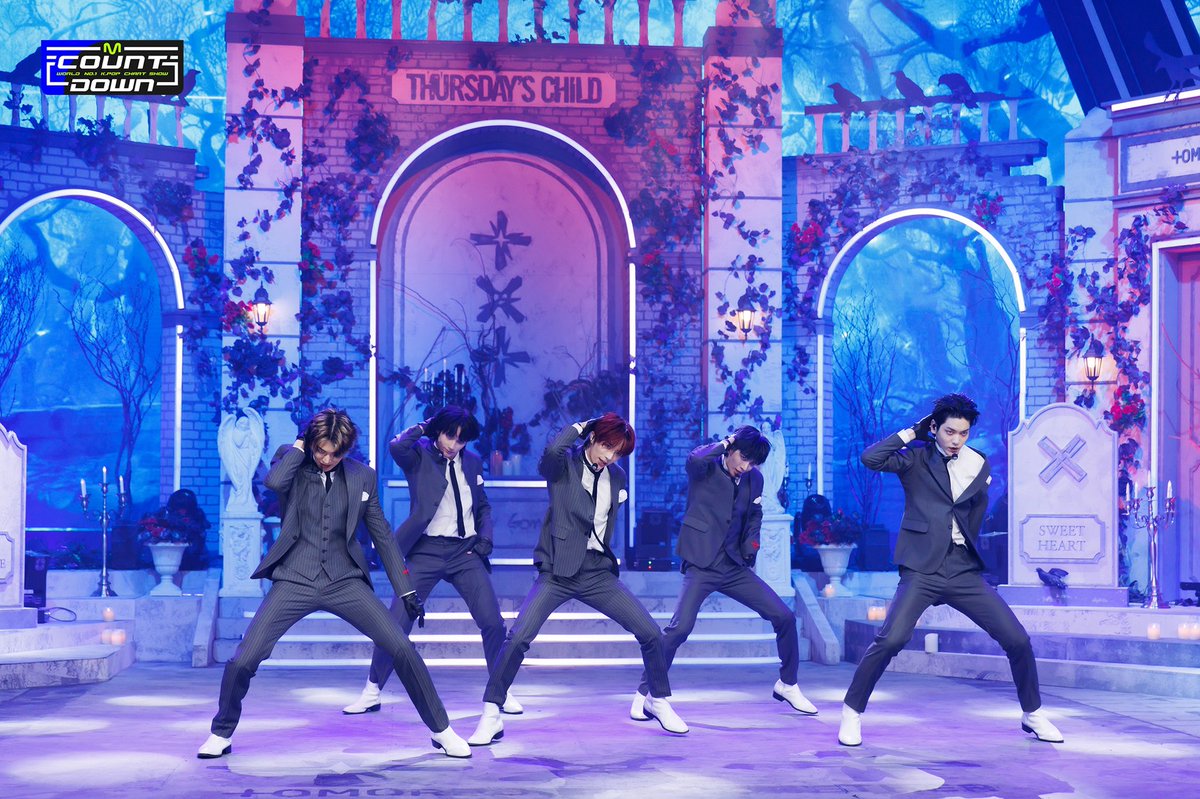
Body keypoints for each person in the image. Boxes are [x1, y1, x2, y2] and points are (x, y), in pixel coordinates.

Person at [197, 409, 470, 759]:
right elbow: (274, 483)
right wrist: (302, 441)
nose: (326, 459)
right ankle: (221, 732)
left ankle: (442, 730)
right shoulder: (292, 460)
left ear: (346, 451)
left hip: (344, 580)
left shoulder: (362, 477)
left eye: (335, 454)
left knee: (401, 647)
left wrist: (405, 589)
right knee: (243, 659)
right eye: (321, 451)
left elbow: (383, 537)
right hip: (295, 578)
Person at [837, 393, 1063, 746]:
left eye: (963, 433)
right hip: (922, 568)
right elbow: (871, 458)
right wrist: (912, 433)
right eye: (949, 432)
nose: (956, 440)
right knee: (891, 639)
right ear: (934, 428)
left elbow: (973, 511)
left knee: (1017, 638)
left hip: (961, 569)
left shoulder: (978, 463)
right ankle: (852, 711)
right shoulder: (914, 458)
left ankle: (1032, 713)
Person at [468, 413, 688, 746]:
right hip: (557, 571)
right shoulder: (563, 466)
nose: (610, 457)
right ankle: (491, 713)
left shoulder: (617, 477)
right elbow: (553, 449)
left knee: (651, 633)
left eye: (618, 453)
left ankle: (656, 699)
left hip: (597, 572)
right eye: (607, 447)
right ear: (594, 438)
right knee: (518, 638)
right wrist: (583, 426)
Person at [343, 406, 522, 716]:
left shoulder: (473, 461)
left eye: (461, 440)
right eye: (449, 436)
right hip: (425, 551)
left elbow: (483, 507)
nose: (453, 445)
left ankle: (500, 691)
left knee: (493, 622)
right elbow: (396, 446)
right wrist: (428, 426)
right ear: (439, 432)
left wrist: (485, 541)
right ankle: (372, 691)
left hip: (465, 553)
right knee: (396, 623)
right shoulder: (418, 455)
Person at [631, 426, 818, 720]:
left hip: (734, 566)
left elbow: (754, 515)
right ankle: (645, 692)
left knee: (784, 616)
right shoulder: (704, 468)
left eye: (752, 463)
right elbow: (694, 458)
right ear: (731, 449)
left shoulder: (754, 479)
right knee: (679, 629)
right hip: (701, 564)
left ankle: (788, 684)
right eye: (743, 457)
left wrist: (751, 549)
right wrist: (730, 440)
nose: (746, 466)